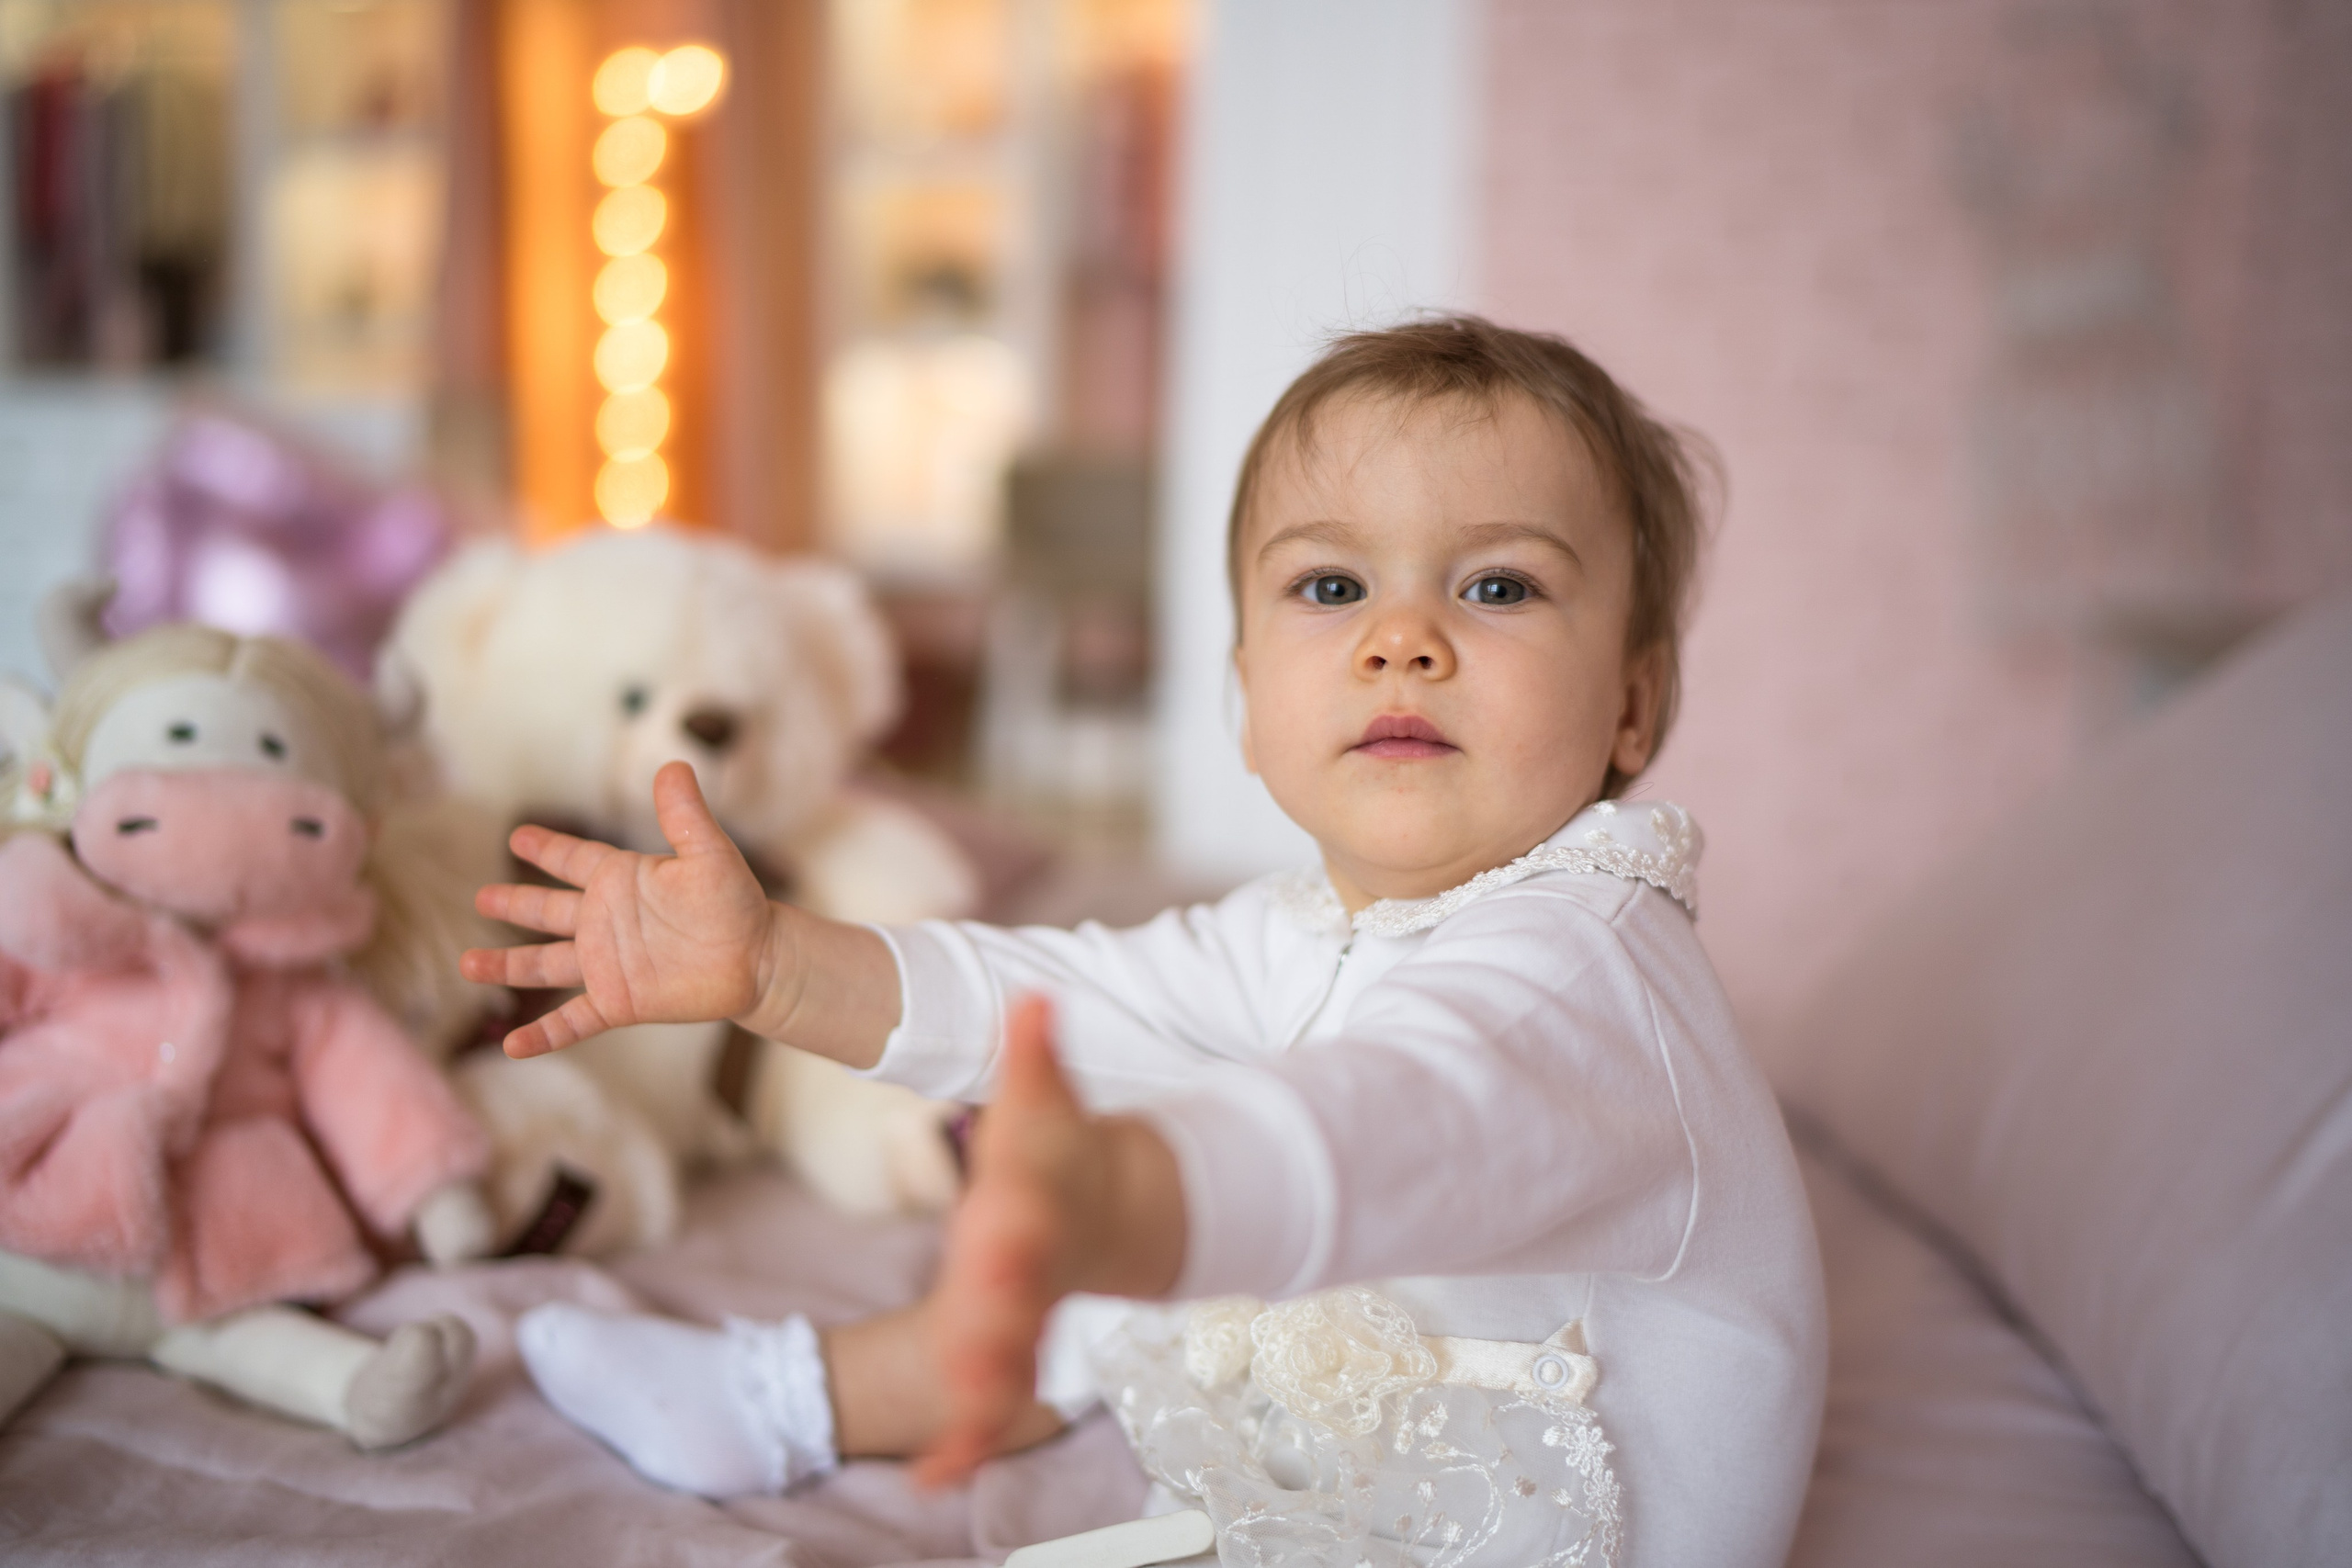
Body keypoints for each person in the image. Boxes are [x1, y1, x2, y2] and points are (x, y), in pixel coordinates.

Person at [466, 316, 1826, 1567]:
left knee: (1147, 1213)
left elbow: (1398, 1120)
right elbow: (1068, 989)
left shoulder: (1592, 967)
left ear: (1634, 707)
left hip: (1550, 1527)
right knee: (1107, 1255)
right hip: (1368, 1446)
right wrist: (776, 969)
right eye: (1334, 586)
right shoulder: (1304, 931)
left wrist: (1124, 1199)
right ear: (1244, 700)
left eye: (1500, 590)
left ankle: (890, 1351)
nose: (1402, 641)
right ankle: (781, 1401)